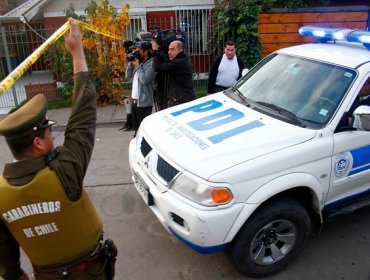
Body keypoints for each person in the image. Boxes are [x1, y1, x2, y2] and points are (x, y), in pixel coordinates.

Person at [0, 19, 116, 279]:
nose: (53, 135)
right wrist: (77, 52)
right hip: (91, 272)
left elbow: (6, 260)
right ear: (38, 143)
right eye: (48, 131)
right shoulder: (64, 172)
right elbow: (83, 118)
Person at [152, 40, 195, 108]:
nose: (169, 52)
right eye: (168, 49)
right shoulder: (182, 60)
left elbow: (158, 68)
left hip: (181, 101)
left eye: (172, 49)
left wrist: (155, 51)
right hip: (181, 98)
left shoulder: (179, 63)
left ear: (180, 50)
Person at [125, 42, 156, 134]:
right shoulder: (139, 63)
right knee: (136, 131)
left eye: (139, 50)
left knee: (142, 132)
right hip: (135, 102)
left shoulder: (152, 64)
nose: (136, 52)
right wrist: (131, 63)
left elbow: (145, 80)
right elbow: (127, 76)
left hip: (144, 103)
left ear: (146, 52)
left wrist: (137, 66)